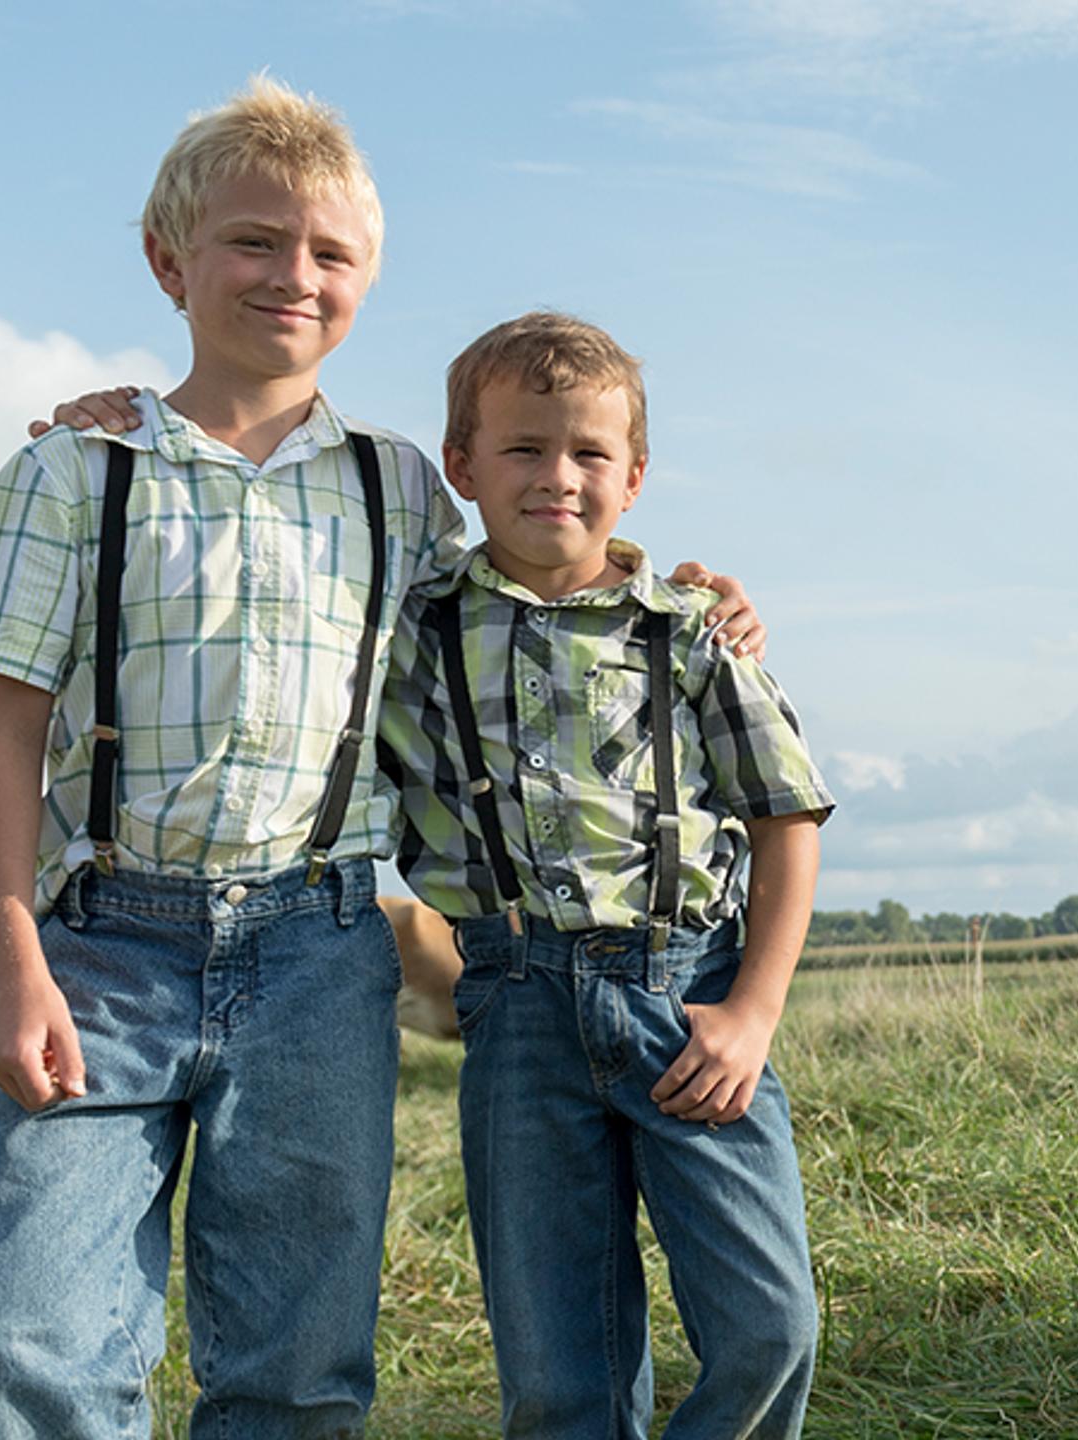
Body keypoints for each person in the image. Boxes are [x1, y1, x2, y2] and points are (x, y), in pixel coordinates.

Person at [0, 77, 754, 1437]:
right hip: (104, 944)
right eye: (253, 242)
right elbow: (1, 724)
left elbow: (537, 597)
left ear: (365, 277)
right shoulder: (78, 472)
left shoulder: (401, 483)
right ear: (169, 259)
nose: (290, 275)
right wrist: (13, 969)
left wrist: (682, 588)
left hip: (321, 944)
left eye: (329, 254)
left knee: (298, 1363)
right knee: (25, 1336)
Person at [381, 310, 830, 1437]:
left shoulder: (692, 631)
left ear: (634, 478)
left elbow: (787, 818)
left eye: (589, 454)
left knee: (772, 1325)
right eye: (525, 450)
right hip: (517, 1009)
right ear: (463, 465)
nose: (557, 478)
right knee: (557, 1372)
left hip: (688, 1003)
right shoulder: (411, 630)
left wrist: (754, 1013)